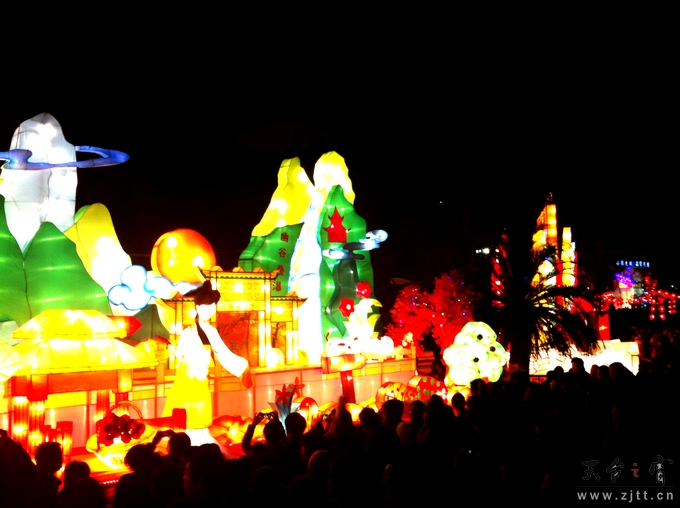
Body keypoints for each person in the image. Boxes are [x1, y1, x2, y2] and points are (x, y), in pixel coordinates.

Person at [162, 281, 250, 431]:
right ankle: (183, 429)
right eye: (205, 308)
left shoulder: (210, 331)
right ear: (197, 308)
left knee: (198, 403)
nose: (209, 311)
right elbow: (181, 352)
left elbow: (222, 352)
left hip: (199, 373)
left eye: (212, 308)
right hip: (186, 374)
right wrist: (173, 349)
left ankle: (197, 430)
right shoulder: (188, 331)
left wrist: (241, 366)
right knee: (184, 403)